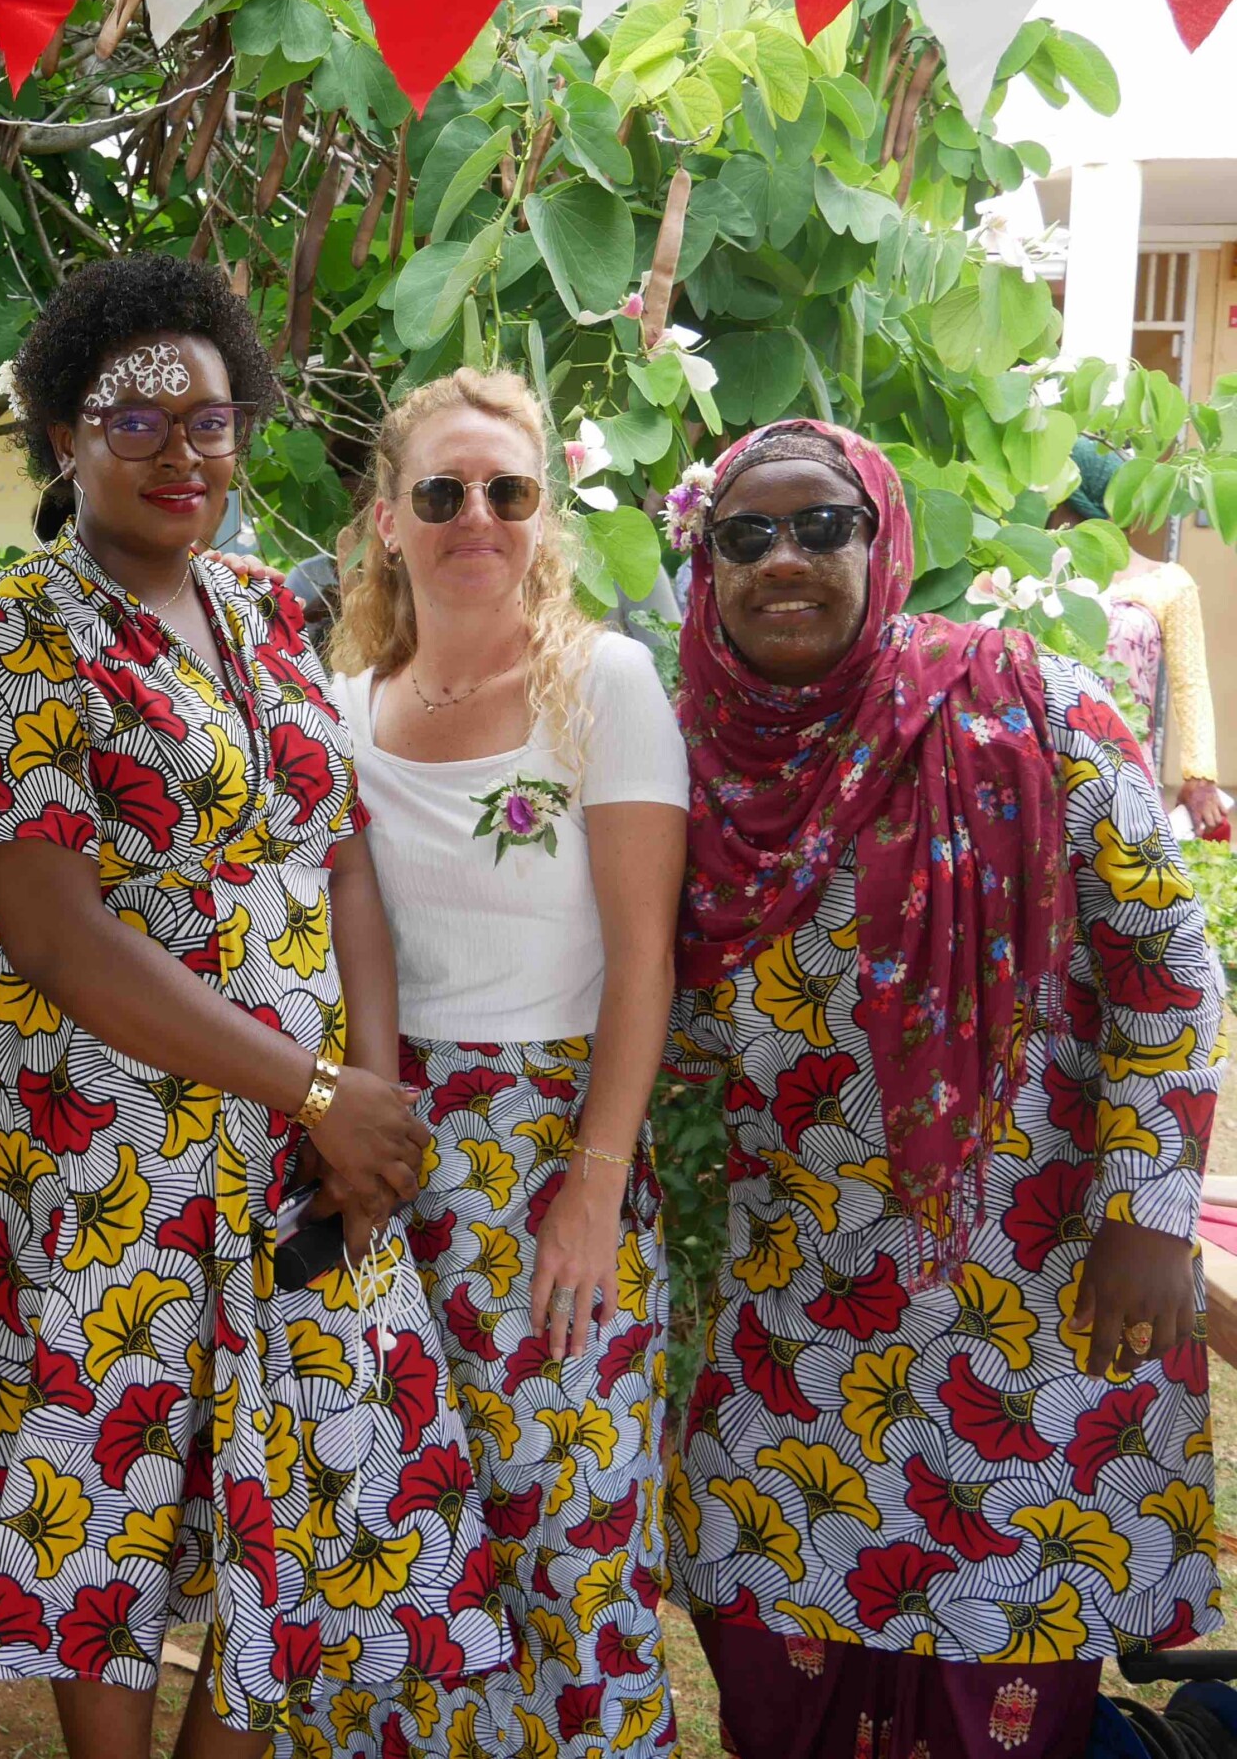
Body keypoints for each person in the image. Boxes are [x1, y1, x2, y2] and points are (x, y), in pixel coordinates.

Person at [0, 256, 509, 1759]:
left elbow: (343, 859)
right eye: (136, 418)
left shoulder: (259, 606)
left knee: (307, 1486)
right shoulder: (10, 642)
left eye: (211, 417)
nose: (182, 451)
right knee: (106, 1508)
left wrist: (365, 1106)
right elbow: (54, 936)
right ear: (61, 433)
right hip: (108, 1147)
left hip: (300, 1147)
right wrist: (320, 1092)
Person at [664, 420, 1223, 1759]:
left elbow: (1164, 960)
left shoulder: (1029, 704)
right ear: (704, 567)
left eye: (820, 527)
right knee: (781, 1679)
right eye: (744, 536)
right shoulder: (682, 764)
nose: (781, 559)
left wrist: (1149, 1211)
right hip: (788, 1313)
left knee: (1000, 1693)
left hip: (1025, 1298)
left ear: (882, 541)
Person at [329, 369, 687, 1758]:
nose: (476, 515)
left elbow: (644, 958)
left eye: (508, 491)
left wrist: (594, 1183)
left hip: (550, 1149)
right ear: (387, 522)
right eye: (443, 492)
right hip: (379, 1144)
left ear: (545, 515)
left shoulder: (603, 683)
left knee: (566, 1549)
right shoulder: (342, 697)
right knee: (393, 1547)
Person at [1054, 438, 1225, 836]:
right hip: (1042, 767)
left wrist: (1200, 776)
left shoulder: (1167, 584)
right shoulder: (1035, 578)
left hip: (1126, 777)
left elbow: (1190, 685)